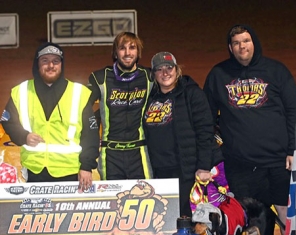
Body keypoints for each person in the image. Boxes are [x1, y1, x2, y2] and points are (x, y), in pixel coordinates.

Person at [203, 24, 296, 235]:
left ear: (254, 42)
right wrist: (216, 151)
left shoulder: (276, 71)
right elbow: (205, 117)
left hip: (277, 159)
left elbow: (295, 112)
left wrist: (292, 150)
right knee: (252, 220)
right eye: (236, 42)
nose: (242, 46)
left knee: (286, 213)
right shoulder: (219, 74)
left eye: (246, 41)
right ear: (230, 47)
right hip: (240, 163)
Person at [2, 42, 99, 190]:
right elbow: (7, 120)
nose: (51, 66)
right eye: (45, 61)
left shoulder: (79, 93)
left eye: (55, 61)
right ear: (37, 64)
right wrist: (24, 136)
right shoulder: (21, 91)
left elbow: (90, 134)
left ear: (62, 65)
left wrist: (86, 166)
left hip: (70, 172)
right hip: (35, 171)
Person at [143, 51, 223, 218]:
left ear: (177, 69)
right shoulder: (149, 99)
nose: (165, 73)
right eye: (159, 69)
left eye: (169, 68)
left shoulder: (192, 94)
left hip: (188, 171)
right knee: (167, 220)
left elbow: (205, 131)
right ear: (153, 74)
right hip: (160, 172)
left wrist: (203, 166)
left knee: (193, 221)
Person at [88, 32, 153, 180]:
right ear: (115, 53)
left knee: (147, 197)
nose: (128, 53)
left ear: (138, 52)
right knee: (114, 201)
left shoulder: (149, 77)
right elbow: (82, 109)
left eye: (132, 48)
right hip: (110, 154)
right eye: (122, 48)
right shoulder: (101, 78)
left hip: (140, 151)